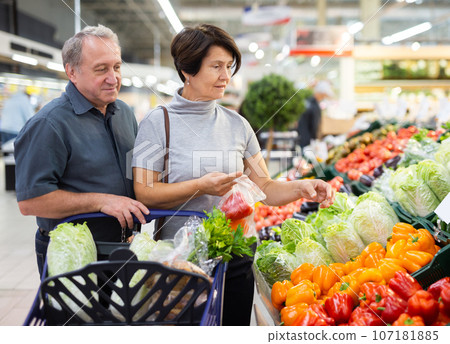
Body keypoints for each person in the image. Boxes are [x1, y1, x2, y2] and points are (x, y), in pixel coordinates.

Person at [132, 24, 335, 326]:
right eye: (216, 66)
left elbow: (264, 185)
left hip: (236, 256)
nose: (226, 76)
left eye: (228, 66)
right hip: (183, 260)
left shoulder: (238, 124)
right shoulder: (156, 123)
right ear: (187, 70)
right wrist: (201, 186)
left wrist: (301, 187)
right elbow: (144, 192)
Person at [14, 25, 149, 277]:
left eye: (117, 67)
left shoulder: (124, 114)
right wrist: (101, 201)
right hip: (72, 254)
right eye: (101, 69)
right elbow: (31, 201)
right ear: (72, 72)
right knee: (75, 317)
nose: (113, 78)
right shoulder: (49, 124)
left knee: (122, 316)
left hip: (124, 248)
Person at [297, 80, 334, 149]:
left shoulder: (308, 102)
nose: (324, 97)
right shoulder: (314, 106)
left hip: (302, 138)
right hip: (306, 140)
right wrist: (315, 141)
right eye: (324, 95)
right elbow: (314, 125)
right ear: (321, 93)